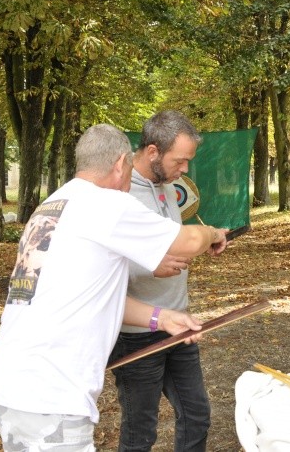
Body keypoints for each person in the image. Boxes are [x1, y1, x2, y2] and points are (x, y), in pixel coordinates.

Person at [0, 123, 228, 451]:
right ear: (120, 164)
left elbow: (90, 294)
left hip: (14, 380)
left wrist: (161, 318)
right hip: (52, 390)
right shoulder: (107, 205)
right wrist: (213, 233)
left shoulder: (52, 206)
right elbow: (189, 240)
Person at [108, 110, 212, 452]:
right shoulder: (117, 193)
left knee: (196, 414)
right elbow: (103, 268)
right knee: (140, 432)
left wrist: (211, 238)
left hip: (178, 323)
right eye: (179, 161)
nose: (184, 170)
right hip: (137, 335)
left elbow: (173, 240)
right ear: (153, 152)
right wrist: (148, 266)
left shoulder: (167, 186)